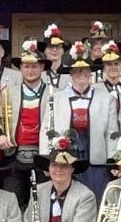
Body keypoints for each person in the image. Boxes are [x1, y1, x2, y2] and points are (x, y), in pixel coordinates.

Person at [42, 41, 115, 200]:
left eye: (85, 70)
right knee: (67, 198)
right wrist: (47, 158)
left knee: (97, 197)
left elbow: (111, 131)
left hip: (95, 157)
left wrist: (112, 161)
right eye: (76, 71)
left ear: (91, 73)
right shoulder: (56, 98)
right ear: (71, 74)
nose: (81, 74)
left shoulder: (105, 98)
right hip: (66, 156)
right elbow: (47, 129)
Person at [0, 44, 52, 209]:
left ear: (42, 67)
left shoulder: (54, 93)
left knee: (41, 204)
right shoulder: (8, 92)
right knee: (12, 203)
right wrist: (0, 134)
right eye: (26, 66)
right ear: (20, 68)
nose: (30, 70)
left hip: (43, 158)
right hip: (14, 156)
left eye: (35, 66)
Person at [38, 24, 68, 89]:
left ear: (63, 51)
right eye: (50, 46)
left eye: (58, 46)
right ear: (44, 51)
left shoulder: (71, 73)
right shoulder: (38, 73)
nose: (54, 49)